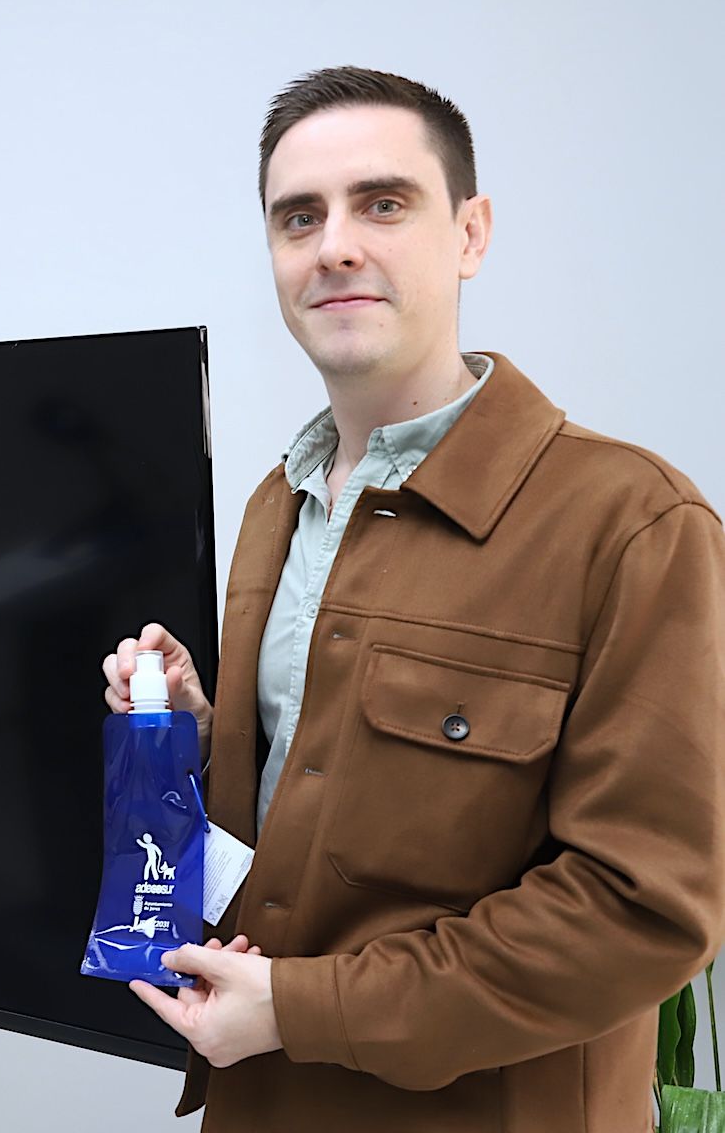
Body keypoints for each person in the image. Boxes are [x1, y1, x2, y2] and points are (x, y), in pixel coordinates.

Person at [101, 68, 725, 1130]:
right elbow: (319, 812)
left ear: (469, 234)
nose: (335, 244)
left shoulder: (634, 524)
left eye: (382, 204)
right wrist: (200, 740)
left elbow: (642, 911)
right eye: (299, 217)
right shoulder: (275, 503)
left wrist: (301, 1009)